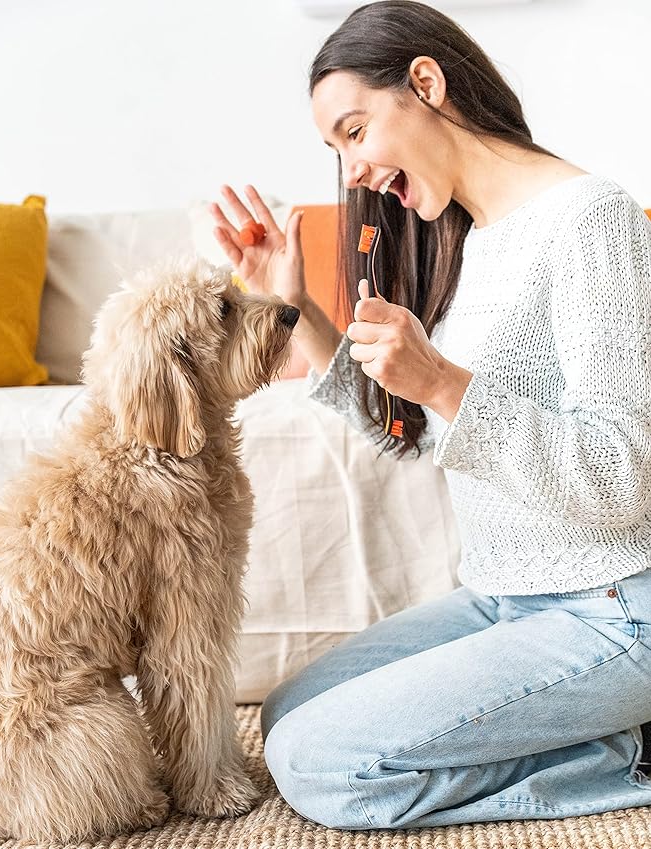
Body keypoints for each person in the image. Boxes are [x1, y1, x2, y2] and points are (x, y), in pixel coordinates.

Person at [209, 0, 651, 830]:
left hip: (614, 605)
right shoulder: (471, 238)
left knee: (321, 764)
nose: (350, 172)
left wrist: (444, 381)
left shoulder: (593, 220)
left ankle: (626, 751)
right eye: (335, 149)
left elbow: (620, 479)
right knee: (283, 717)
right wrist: (295, 303)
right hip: (500, 595)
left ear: (424, 82)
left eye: (352, 131)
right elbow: (402, 433)